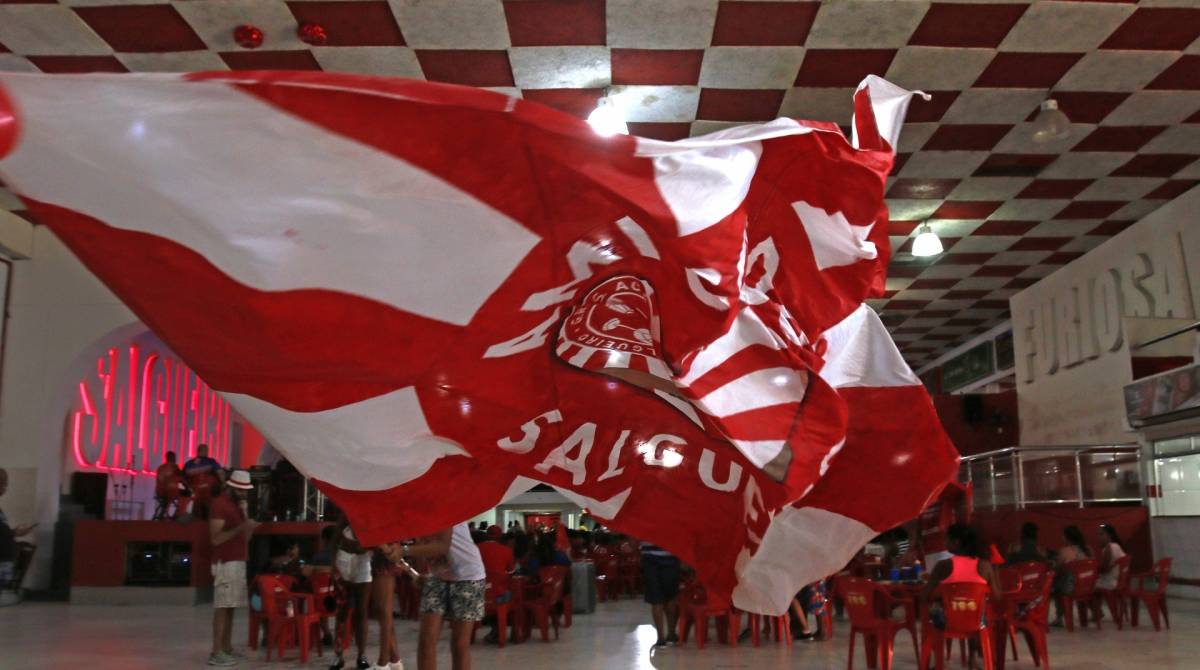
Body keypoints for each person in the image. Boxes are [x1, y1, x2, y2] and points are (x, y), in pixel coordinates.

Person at [382, 523, 485, 670]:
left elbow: (443, 546)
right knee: (426, 640)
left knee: (459, 644)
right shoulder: (413, 514)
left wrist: (403, 550)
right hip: (437, 576)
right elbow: (423, 546)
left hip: (468, 576)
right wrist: (417, 572)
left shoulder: (444, 505)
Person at [207, 469, 258, 667]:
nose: (244, 494)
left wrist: (247, 523)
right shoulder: (219, 505)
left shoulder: (238, 507)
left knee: (230, 607)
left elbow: (246, 537)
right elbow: (215, 538)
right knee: (222, 607)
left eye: (246, 491)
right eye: (241, 490)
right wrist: (239, 528)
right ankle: (216, 651)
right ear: (231, 487)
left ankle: (226, 648)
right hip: (225, 562)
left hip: (237, 560)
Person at [331, 520, 373, 670]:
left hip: (363, 562)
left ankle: (362, 655)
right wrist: (333, 568)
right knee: (342, 611)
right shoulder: (345, 516)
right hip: (343, 561)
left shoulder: (371, 518)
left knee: (362, 611)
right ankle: (338, 655)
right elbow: (335, 542)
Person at [475, 525, 515, 643]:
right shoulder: (507, 551)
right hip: (499, 595)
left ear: (486, 535)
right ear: (500, 536)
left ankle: (494, 630)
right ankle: (502, 631)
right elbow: (511, 571)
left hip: (478, 595)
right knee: (513, 598)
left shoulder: (476, 549)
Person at [640, 540, 681, 647]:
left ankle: (660, 638)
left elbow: (633, 539)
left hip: (650, 560)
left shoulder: (642, 522)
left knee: (656, 600)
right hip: (671, 557)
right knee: (671, 599)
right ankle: (671, 634)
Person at [0, 469, 36, 591]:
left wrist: (15, 532)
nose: (5, 486)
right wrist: (14, 533)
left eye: (5, 482)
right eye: (2, 482)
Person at [1050, 525, 1092, 627]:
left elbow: (1057, 570)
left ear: (1066, 537)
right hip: (1088, 586)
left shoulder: (1065, 551)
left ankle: (1059, 618)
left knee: (1056, 584)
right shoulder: (1088, 549)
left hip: (1070, 588)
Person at [370, 546, 404, 670]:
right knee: (382, 612)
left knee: (384, 612)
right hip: (381, 560)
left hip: (384, 561)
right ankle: (394, 660)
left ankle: (383, 663)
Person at [153, 451, 187, 520]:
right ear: (173, 458)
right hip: (171, 491)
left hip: (160, 492)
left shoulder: (160, 468)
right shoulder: (175, 468)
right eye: (174, 458)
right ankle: (177, 514)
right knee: (185, 494)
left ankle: (164, 513)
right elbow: (179, 480)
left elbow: (161, 481)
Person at [1096, 524, 1127, 591]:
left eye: (1101, 534)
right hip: (1120, 581)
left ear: (1110, 535)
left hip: (1110, 582)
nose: (1099, 537)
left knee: (1089, 585)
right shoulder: (1117, 546)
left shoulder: (1108, 548)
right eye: (1098, 535)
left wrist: (1095, 569)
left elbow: (1105, 569)